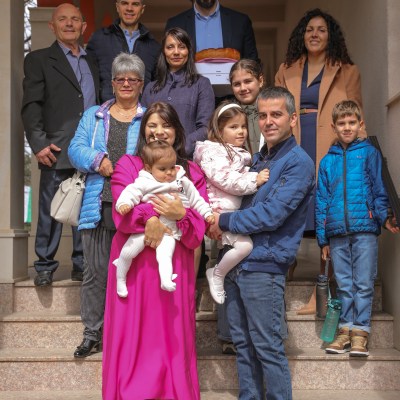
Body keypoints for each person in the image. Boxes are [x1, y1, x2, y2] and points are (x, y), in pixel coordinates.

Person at [208, 86, 315, 399]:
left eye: (276, 115)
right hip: (236, 264)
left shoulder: (298, 163)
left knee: (267, 347)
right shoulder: (256, 160)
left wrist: (223, 221)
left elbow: (271, 215)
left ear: (292, 119)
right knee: (243, 345)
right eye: (264, 115)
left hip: (264, 267)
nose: (268, 121)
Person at [102, 102, 208, 399]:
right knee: (132, 335)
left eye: (166, 125)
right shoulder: (128, 164)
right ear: (143, 130)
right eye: (152, 125)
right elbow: (121, 212)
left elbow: (198, 229)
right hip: (135, 267)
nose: (159, 131)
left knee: (171, 335)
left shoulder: (191, 172)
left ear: (177, 131)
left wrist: (180, 214)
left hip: (173, 264)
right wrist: (149, 218)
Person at [275, 8, 367, 313]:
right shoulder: (286, 69)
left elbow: (357, 116)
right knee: (290, 207)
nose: (314, 34)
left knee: (328, 216)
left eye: (322, 30)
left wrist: (359, 157)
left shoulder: (347, 70)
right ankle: (283, 271)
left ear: (331, 37)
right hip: (294, 145)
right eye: (309, 29)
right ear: (302, 35)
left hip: (330, 147)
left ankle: (321, 291)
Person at [68, 53, 145, 358]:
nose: (126, 83)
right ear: (112, 83)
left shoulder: (148, 117)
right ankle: (92, 333)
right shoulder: (94, 116)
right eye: (120, 78)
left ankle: (126, 334)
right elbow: (75, 148)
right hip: (98, 204)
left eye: (132, 79)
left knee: (133, 273)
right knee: (96, 273)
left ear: (141, 84)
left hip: (134, 207)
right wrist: (97, 160)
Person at [21, 3, 99, 287]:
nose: (69, 24)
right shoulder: (39, 59)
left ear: (83, 26)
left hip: (90, 147)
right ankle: (44, 265)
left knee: (85, 206)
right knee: (50, 209)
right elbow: (31, 105)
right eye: (62, 19)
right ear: (52, 26)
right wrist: (39, 143)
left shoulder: (93, 61)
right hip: (56, 147)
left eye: (75, 19)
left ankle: (80, 263)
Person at [316, 100, 399, 357]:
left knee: (363, 282)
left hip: (365, 230)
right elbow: (321, 201)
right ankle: (345, 331)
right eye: (342, 123)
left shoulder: (369, 154)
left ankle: (360, 333)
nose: (347, 127)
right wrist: (322, 239)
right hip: (336, 232)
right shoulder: (326, 162)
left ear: (360, 124)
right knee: (343, 284)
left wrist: (384, 217)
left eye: (352, 122)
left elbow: (379, 189)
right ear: (334, 127)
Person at [114, 140, 214, 296]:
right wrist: (124, 203)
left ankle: (166, 280)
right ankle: (120, 278)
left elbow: (197, 200)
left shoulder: (182, 182)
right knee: (128, 252)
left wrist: (207, 213)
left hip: (170, 231)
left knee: (165, 255)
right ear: (149, 168)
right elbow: (130, 192)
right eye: (162, 169)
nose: (169, 172)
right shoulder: (145, 181)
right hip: (145, 230)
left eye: (172, 167)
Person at [194, 102, 269, 305]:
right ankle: (216, 274)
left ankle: (218, 273)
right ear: (219, 131)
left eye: (243, 126)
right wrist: (255, 180)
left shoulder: (234, 152)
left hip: (229, 211)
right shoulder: (214, 152)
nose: (241, 131)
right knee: (244, 246)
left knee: (241, 247)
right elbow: (226, 180)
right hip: (219, 209)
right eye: (233, 127)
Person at [141, 27, 214, 159]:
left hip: (188, 159)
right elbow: (143, 128)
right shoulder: (150, 88)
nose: (176, 52)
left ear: (188, 51)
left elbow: (206, 127)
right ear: (163, 51)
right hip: (153, 160)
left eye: (181, 47)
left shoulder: (201, 84)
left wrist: (180, 148)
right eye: (170, 47)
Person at [86, 0, 160, 102]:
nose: (129, 8)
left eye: (135, 4)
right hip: (107, 109)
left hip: (143, 110)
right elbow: (88, 80)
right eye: (124, 3)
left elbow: (158, 86)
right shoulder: (99, 40)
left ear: (142, 9)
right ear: (117, 7)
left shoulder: (154, 47)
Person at [165, 0, 258, 61]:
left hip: (232, 85)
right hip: (189, 85)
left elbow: (252, 61)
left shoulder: (241, 21)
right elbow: (167, 64)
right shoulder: (175, 24)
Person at [230, 59, 265, 154]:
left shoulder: (272, 113)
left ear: (260, 81)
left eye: (248, 81)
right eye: (237, 84)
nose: (243, 88)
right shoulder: (229, 115)